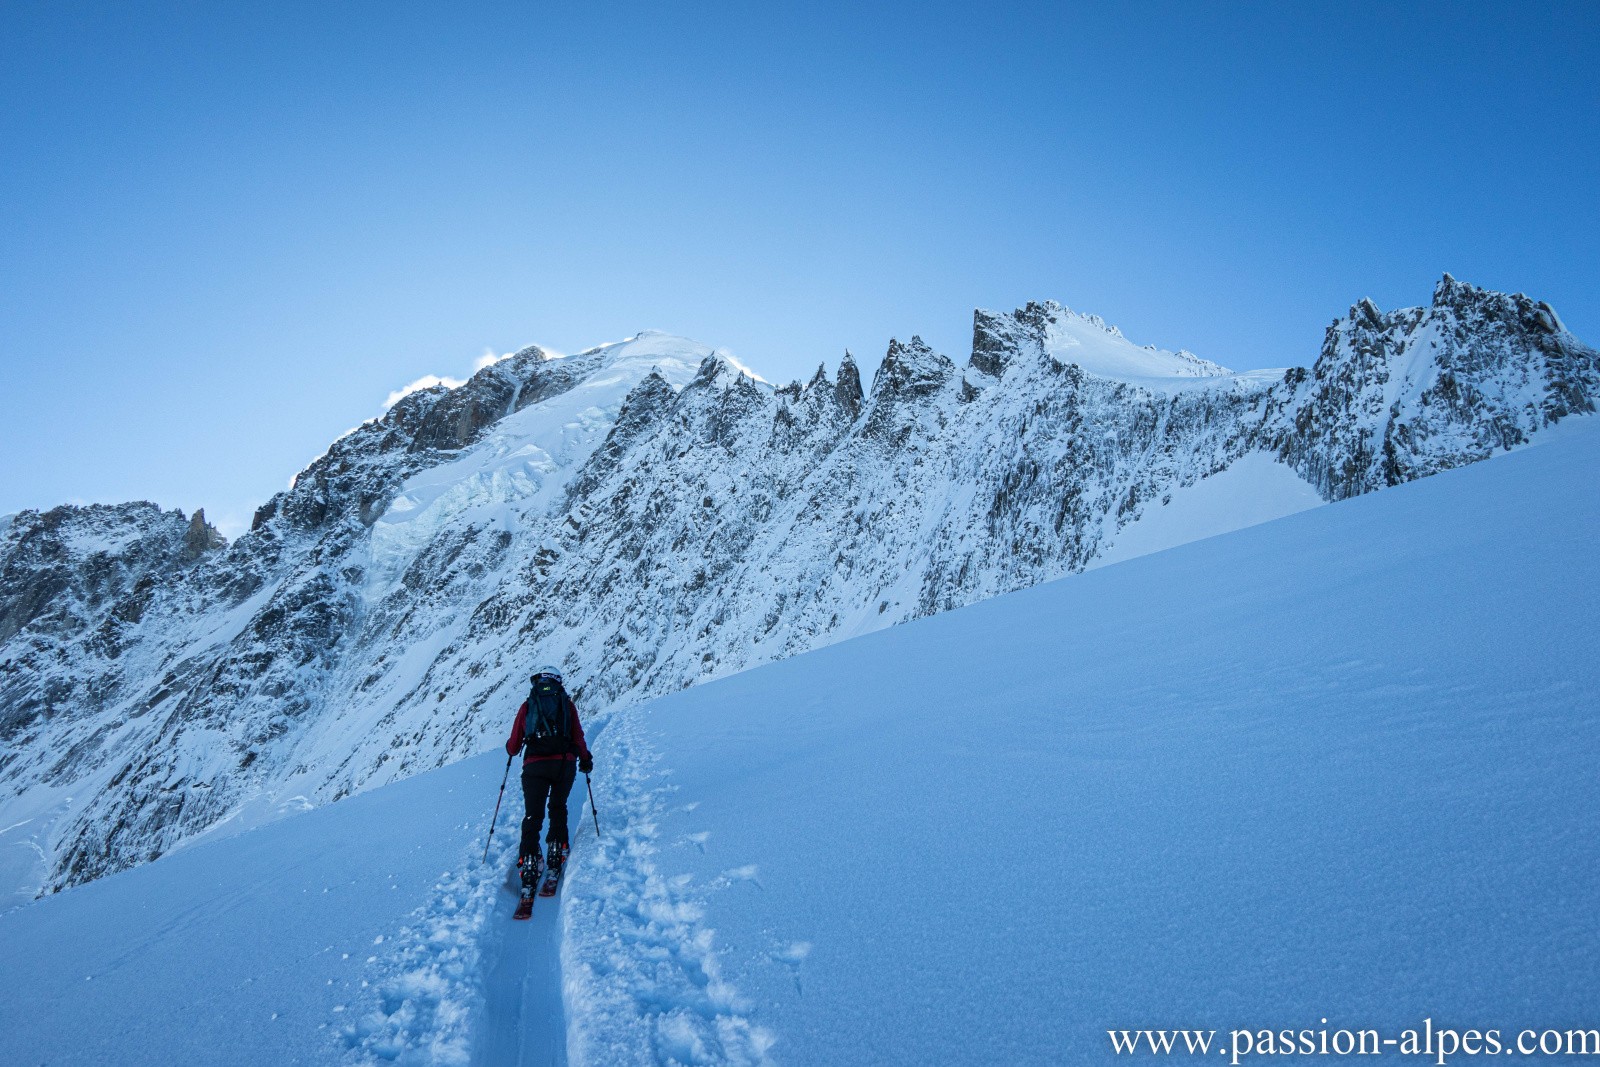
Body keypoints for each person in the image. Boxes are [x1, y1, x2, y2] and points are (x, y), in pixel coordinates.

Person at [505, 665, 593, 889]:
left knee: (532, 816)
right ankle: (557, 851)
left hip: (534, 765)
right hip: (564, 763)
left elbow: (514, 745)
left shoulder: (528, 705)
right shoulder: (567, 705)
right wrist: (585, 758)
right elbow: (578, 736)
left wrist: (512, 748)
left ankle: (530, 861)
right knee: (557, 806)